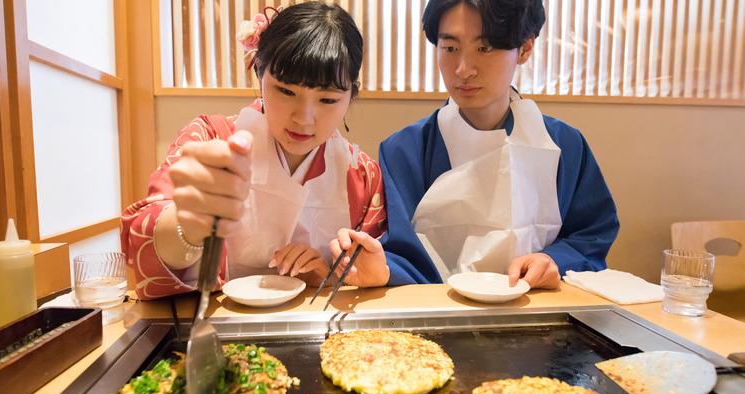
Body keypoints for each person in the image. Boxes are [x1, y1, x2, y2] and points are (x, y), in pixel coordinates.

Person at [342, 0, 619, 289]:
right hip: (439, 318)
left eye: (484, 48)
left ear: (524, 49)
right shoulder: (404, 151)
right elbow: (399, 254)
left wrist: (554, 260)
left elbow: (592, 234)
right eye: (450, 48)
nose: (463, 69)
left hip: (536, 314)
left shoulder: (563, 146)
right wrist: (381, 267)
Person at [121, 2, 386, 299]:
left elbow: (362, 275)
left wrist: (328, 274)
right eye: (286, 91)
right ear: (259, 72)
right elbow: (146, 239)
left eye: (327, 100)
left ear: (352, 92)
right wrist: (188, 223)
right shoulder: (209, 138)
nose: (303, 118)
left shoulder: (363, 174)